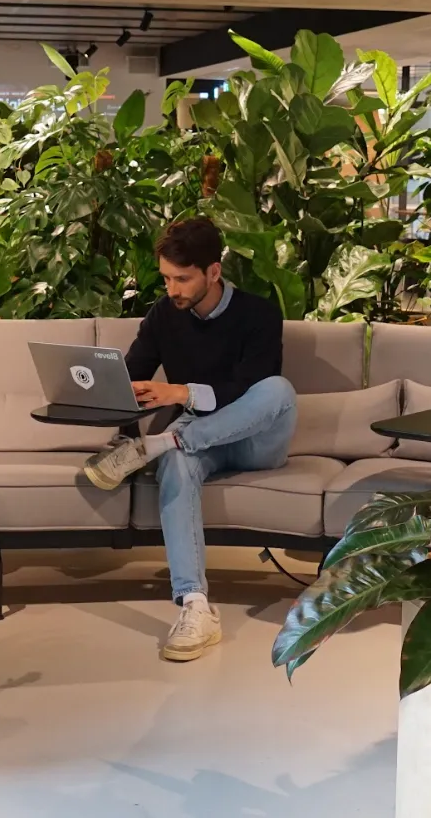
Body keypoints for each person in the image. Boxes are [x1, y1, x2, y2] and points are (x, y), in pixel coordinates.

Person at [82, 217, 296, 662]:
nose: (172, 289)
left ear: (213, 272)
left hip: (257, 442)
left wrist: (182, 393)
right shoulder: (163, 315)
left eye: (182, 279)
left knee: (279, 389)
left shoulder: (259, 313)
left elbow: (250, 388)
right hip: (195, 443)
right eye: (166, 278)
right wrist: (102, 390)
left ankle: (157, 446)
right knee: (178, 457)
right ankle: (195, 607)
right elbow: (133, 374)